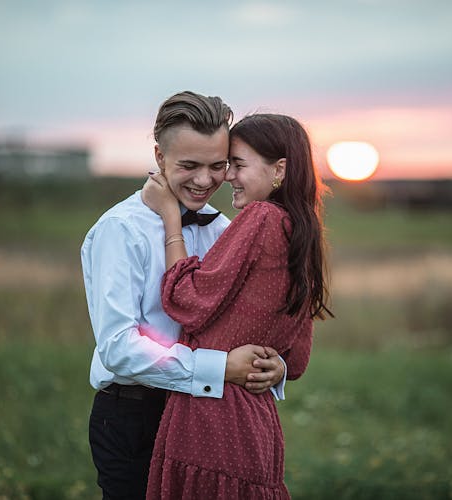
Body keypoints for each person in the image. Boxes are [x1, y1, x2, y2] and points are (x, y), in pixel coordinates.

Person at [81, 92, 289, 500]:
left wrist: (274, 367)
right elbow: (118, 348)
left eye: (218, 166)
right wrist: (219, 369)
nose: (205, 180)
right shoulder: (120, 230)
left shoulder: (227, 230)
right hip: (135, 416)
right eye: (189, 166)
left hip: (209, 418)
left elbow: (248, 319)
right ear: (159, 158)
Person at [143, 113, 332, 498]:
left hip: (211, 419)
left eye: (239, 165)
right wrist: (273, 363)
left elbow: (185, 299)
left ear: (279, 170)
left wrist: (169, 217)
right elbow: (294, 363)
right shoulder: (302, 234)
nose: (228, 176)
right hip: (257, 427)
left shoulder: (261, 217)